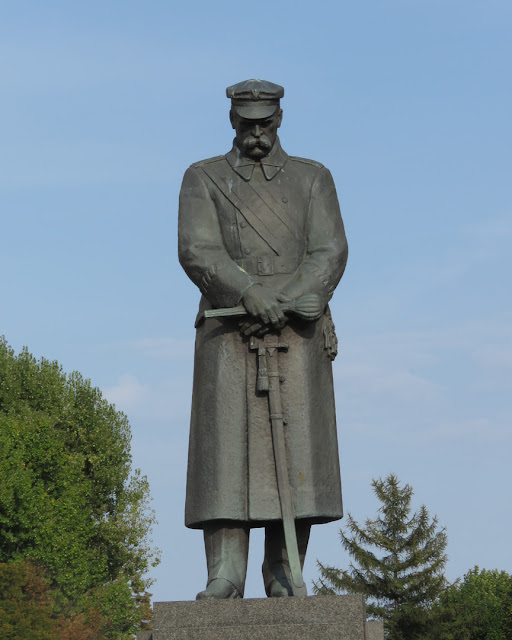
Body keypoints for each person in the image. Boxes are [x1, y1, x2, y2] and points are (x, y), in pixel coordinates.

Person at [178, 79, 348, 599]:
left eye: (265, 123)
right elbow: (197, 249)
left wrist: (289, 299)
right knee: (224, 451)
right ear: (233, 121)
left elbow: (330, 250)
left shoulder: (312, 178)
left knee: (298, 450)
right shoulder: (202, 177)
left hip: (296, 327)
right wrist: (249, 292)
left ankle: (283, 570)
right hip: (229, 323)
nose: (256, 133)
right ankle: (224, 572)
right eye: (246, 123)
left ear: (279, 119)